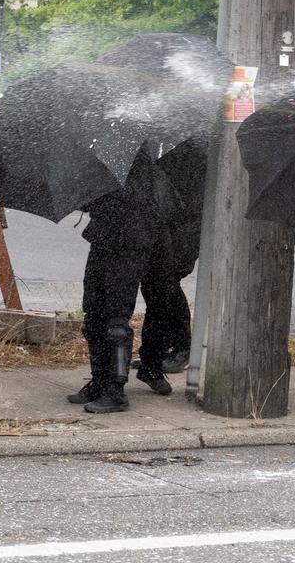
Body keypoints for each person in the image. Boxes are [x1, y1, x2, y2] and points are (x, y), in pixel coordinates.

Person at [70, 149, 180, 413]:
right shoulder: (109, 149)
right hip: (109, 233)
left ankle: (115, 389)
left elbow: (134, 199)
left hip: (130, 237)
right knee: (96, 309)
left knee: (114, 315)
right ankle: (100, 381)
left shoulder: (127, 154)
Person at [134, 139, 208, 384]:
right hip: (166, 218)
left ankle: (181, 345)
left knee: (165, 283)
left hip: (185, 221)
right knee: (156, 284)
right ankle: (156, 351)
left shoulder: (196, 145)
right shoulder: (172, 141)